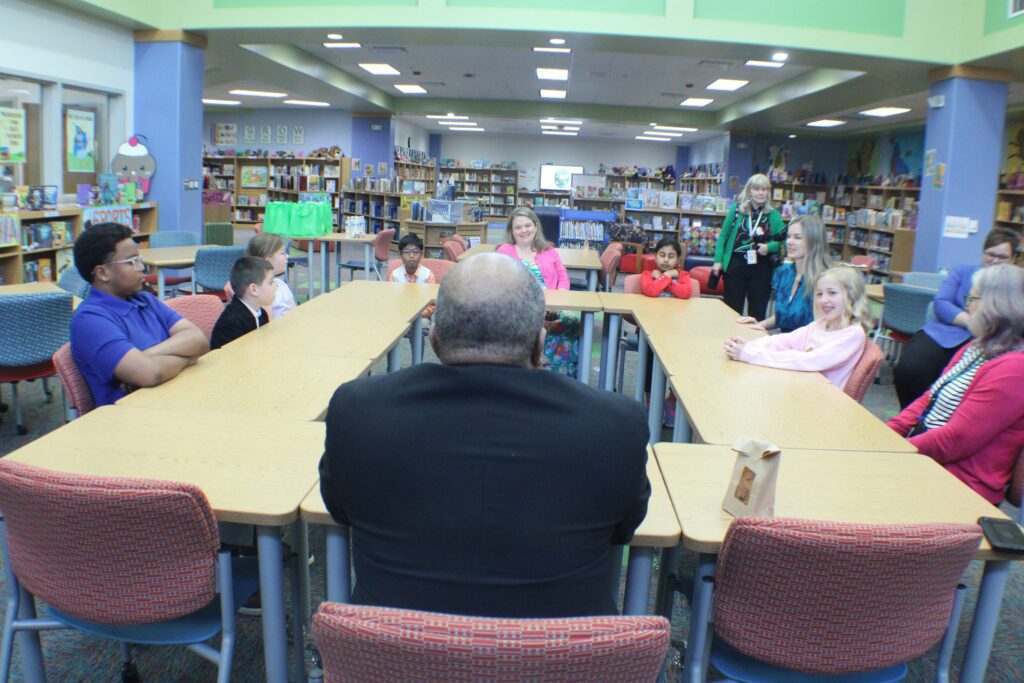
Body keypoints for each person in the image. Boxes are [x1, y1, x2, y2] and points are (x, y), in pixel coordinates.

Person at [318, 252, 651, 618]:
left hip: (394, 659)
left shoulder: (357, 410)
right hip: (559, 661)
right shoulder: (616, 425)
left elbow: (340, 509)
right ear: (540, 342)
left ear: (435, 338)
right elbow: (624, 529)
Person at [888, 264, 1024, 504]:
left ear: (995, 306)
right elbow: (929, 398)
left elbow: (956, 440)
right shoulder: (977, 346)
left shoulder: (1015, 370)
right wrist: (886, 434)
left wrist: (897, 451)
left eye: (972, 298)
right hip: (930, 461)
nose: (967, 306)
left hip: (961, 487)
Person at [70, 222, 209, 407]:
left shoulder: (145, 299)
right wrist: (189, 358)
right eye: (131, 261)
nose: (141, 267)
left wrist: (145, 355)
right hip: (132, 419)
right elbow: (151, 373)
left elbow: (198, 340)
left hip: (174, 399)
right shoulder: (89, 320)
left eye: (139, 259)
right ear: (102, 273)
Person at [893, 228, 1021, 408]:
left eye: (1002, 257)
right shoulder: (963, 272)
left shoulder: (1015, 284)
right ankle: (913, 419)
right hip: (944, 333)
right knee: (910, 370)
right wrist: (971, 322)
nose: (995, 260)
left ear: (1014, 259)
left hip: (989, 343)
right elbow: (941, 301)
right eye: (990, 254)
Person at [724, 266, 870, 390]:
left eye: (832, 293)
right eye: (819, 294)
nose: (823, 300)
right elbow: (785, 341)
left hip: (824, 403)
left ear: (851, 295)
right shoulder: (821, 324)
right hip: (803, 387)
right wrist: (748, 346)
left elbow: (809, 360)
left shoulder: (853, 333)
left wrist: (751, 354)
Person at [496, 207, 580, 376]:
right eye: (518, 227)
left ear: (535, 226)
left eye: (527, 225)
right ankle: (527, 373)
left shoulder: (549, 250)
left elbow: (563, 277)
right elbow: (498, 282)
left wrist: (559, 298)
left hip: (551, 307)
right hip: (519, 307)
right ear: (511, 231)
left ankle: (560, 374)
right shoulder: (504, 251)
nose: (524, 230)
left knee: (572, 321)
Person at [737, 214, 832, 333]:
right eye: (788, 236)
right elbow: (782, 316)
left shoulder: (825, 281)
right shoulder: (784, 273)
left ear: (813, 242)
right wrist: (758, 325)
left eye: (797, 237)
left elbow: (823, 330)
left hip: (808, 347)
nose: (789, 242)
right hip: (784, 344)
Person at [712, 173, 786, 320]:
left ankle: (754, 342)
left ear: (768, 192)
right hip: (735, 265)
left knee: (757, 313)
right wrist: (717, 261)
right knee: (731, 311)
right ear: (749, 191)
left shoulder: (773, 214)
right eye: (756, 189)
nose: (760, 192)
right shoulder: (737, 210)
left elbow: (783, 240)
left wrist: (769, 247)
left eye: (764, 189)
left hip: (761, 268)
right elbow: (723, 236)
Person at [210, 256, 274, 350]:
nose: (276, 287)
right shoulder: (232, 322)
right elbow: (238, 358)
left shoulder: (262, 314)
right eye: (271, 283)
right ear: (254, 289)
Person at [246, 232, 296, 319]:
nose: (287, 256)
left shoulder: (281, 284)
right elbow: (267, 324)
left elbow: (296, 312)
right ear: (268, 260)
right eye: (282, 253)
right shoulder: (261, 291)